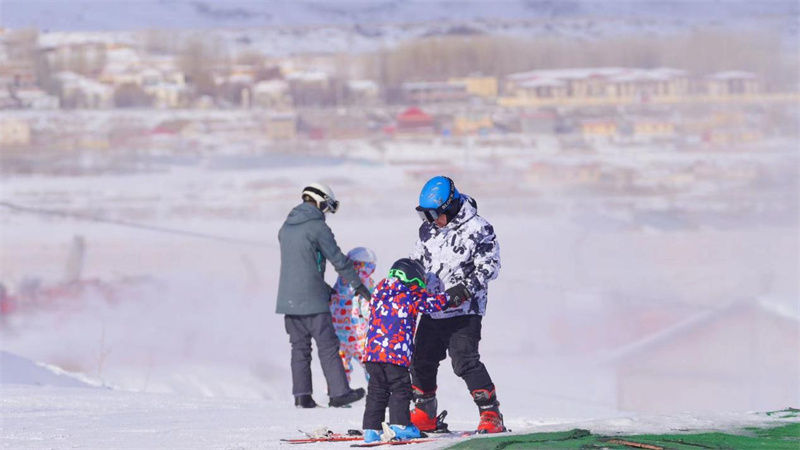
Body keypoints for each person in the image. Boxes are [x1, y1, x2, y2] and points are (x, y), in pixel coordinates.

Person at [409, 176, 506, 434]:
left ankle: (490, 414)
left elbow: (490, 266)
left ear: (450, 206)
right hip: (433, 307)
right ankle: (424, 412)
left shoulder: (479, 229)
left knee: (464, 362)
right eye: (424, 216)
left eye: (433, 214)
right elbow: (417, 260)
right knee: (421, 360)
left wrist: (465, 289)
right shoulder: (428, 231)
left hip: (465, 309)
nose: (430, 221)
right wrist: (410, 284)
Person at [276, 182, 371, 408]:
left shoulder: (285, 227)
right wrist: (359, 286)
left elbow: (302, 266)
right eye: (327, 207)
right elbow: (338, 260)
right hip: (313, 301)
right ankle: (339, 394)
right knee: (328, 346)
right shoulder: (318, 227)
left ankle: (302, 397)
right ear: (319, 202)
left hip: (287, 301)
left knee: (299, 348)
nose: (326, 212)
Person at [361, 258, 463, 443]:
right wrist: (456, 294)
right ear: (413, 279)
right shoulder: (409, 294)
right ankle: (400, 426)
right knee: (400, 389)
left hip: (372, 355)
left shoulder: (379, 291)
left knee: (377, 390)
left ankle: (371, 429)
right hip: (395, 355)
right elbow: (433, 304)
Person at [330, 246, 377, 383]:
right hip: (359, 336)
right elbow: (368, 308)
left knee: (341, 367)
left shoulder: (341, 281)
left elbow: (333, 301)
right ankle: (378, 395)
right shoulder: (366, 284)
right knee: (371, 366)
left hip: (339, 334)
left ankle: (339, 393)